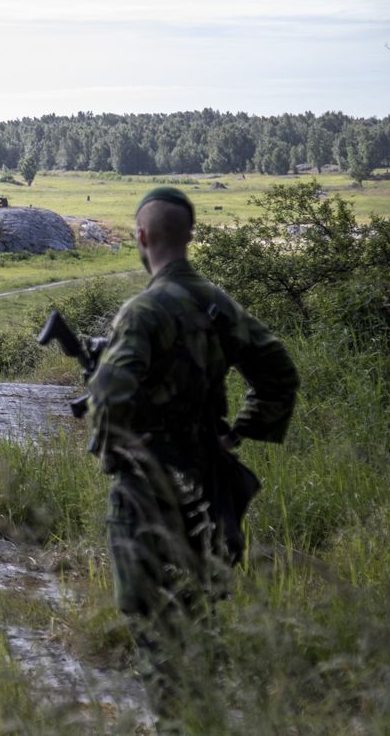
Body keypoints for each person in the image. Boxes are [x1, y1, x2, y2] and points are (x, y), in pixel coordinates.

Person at [86, 187, 299, 726]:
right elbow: (278, 373)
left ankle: (174, 719)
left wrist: (115, 456)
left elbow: (109, 396)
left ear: (141, 237)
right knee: (198, 609)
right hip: (208, 474)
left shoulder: (144, 310)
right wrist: (239, 433)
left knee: (153, 620)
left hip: (150, 483)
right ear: (189, 235)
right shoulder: (219, 303)